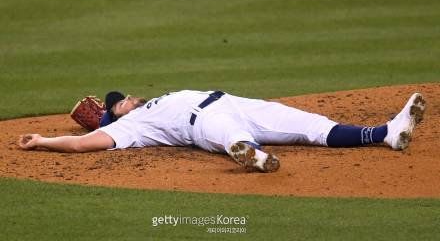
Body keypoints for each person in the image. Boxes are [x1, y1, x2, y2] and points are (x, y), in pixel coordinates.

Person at [18, 90, 426, 172]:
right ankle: (251, 155)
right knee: (228, 133)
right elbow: (83, 144)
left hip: (235, 102)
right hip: (204, 122)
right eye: (119, 101)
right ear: (115, 116)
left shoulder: (139, 110)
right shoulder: (132, 128)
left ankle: (386, 133)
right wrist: (42, 141)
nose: (128, 97)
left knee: (311, 126)